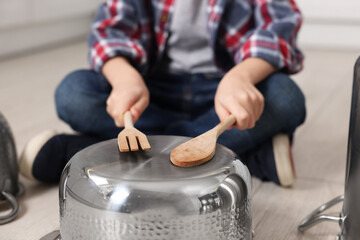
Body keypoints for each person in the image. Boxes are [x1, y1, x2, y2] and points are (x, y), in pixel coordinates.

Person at [19, 0, 306, 187]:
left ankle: (91, 154)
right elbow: (109, 31)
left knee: (284, 96)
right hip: (151, 92)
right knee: (74, 92)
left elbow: (279, 28)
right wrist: (124, 78)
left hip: (223, 94)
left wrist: (242, 76)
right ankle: (246, 155)